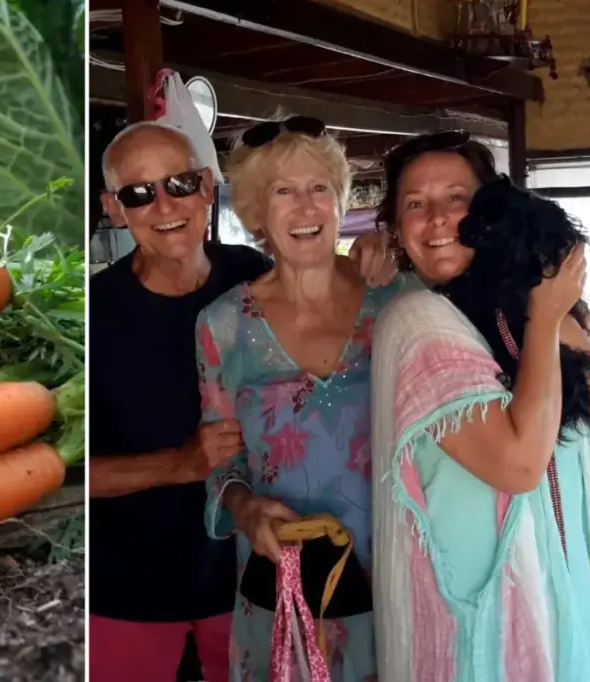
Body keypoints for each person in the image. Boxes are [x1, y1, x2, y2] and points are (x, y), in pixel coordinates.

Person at [88, 119, 396, 682]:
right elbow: (58, 473)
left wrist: (378, 256)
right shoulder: (124, 316)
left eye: (179, 184)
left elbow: (315, 262)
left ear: (207, 188)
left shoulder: (374, 301)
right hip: (135, 582)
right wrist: (184, 468)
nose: (164, 205)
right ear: (113, 207)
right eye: (139, 193)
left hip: (285, 583)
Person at [369, 130, 590, 681]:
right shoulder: (418, 324)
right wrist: (546, 317)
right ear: (399, 231)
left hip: (562, 603)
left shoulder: (514, 311)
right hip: (484, 633)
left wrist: (558, 319)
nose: (439, 219)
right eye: (416, 205)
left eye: (457, 198)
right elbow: (520, 464)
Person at [196, 116, 410, 682]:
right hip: (282, 588)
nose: (306, 208)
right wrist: (243, 508)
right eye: (283, 192)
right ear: (256, 214)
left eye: (320, 188)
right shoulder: (222, 325)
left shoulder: (397, 301)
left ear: (341, 202)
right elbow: (222, 465)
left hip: (398, 583)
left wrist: (401, 252)